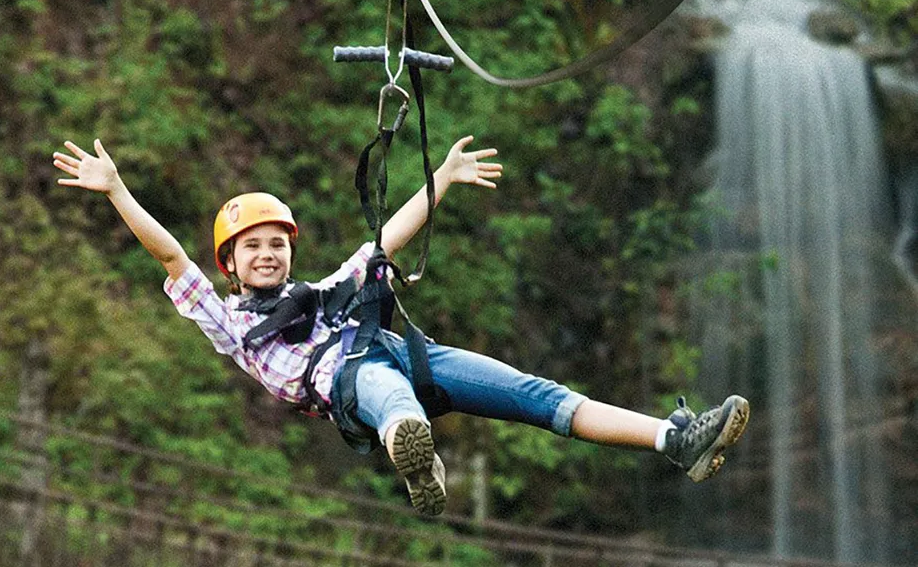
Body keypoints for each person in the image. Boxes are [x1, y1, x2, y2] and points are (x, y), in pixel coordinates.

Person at [53, 137, 749, 516]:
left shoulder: (324, 291)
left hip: (406, 352)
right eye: (252, 247)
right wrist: (117, 190)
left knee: (538, 395)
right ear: (231, 265)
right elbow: (171, 253)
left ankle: (674, 438)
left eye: (277, 242)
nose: (268, 253)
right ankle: (411, 451)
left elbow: (383, 241)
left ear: (290, 250)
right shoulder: (230, 320)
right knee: (387, 393)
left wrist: (441, 178)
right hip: (351, 384)